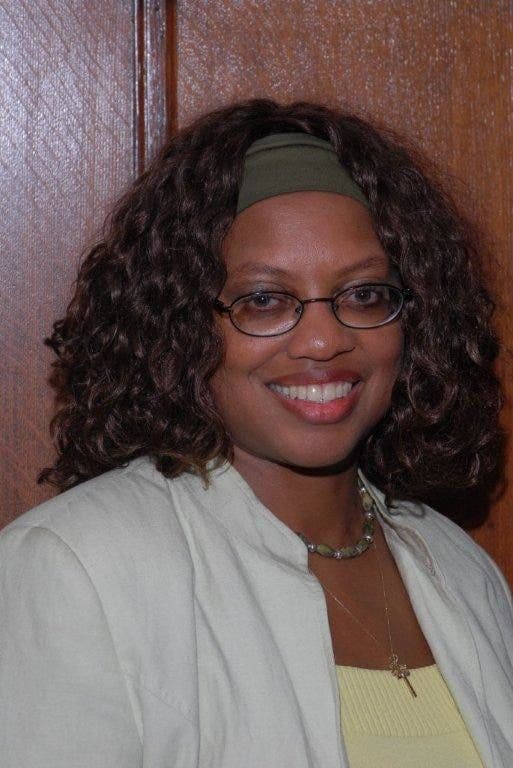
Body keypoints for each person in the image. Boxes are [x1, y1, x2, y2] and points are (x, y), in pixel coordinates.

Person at [1, 98, 512, 768]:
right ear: (180, 324)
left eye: (364, 294)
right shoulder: (76, 568)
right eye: (264, 300)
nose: (324, 340)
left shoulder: (459, 569)